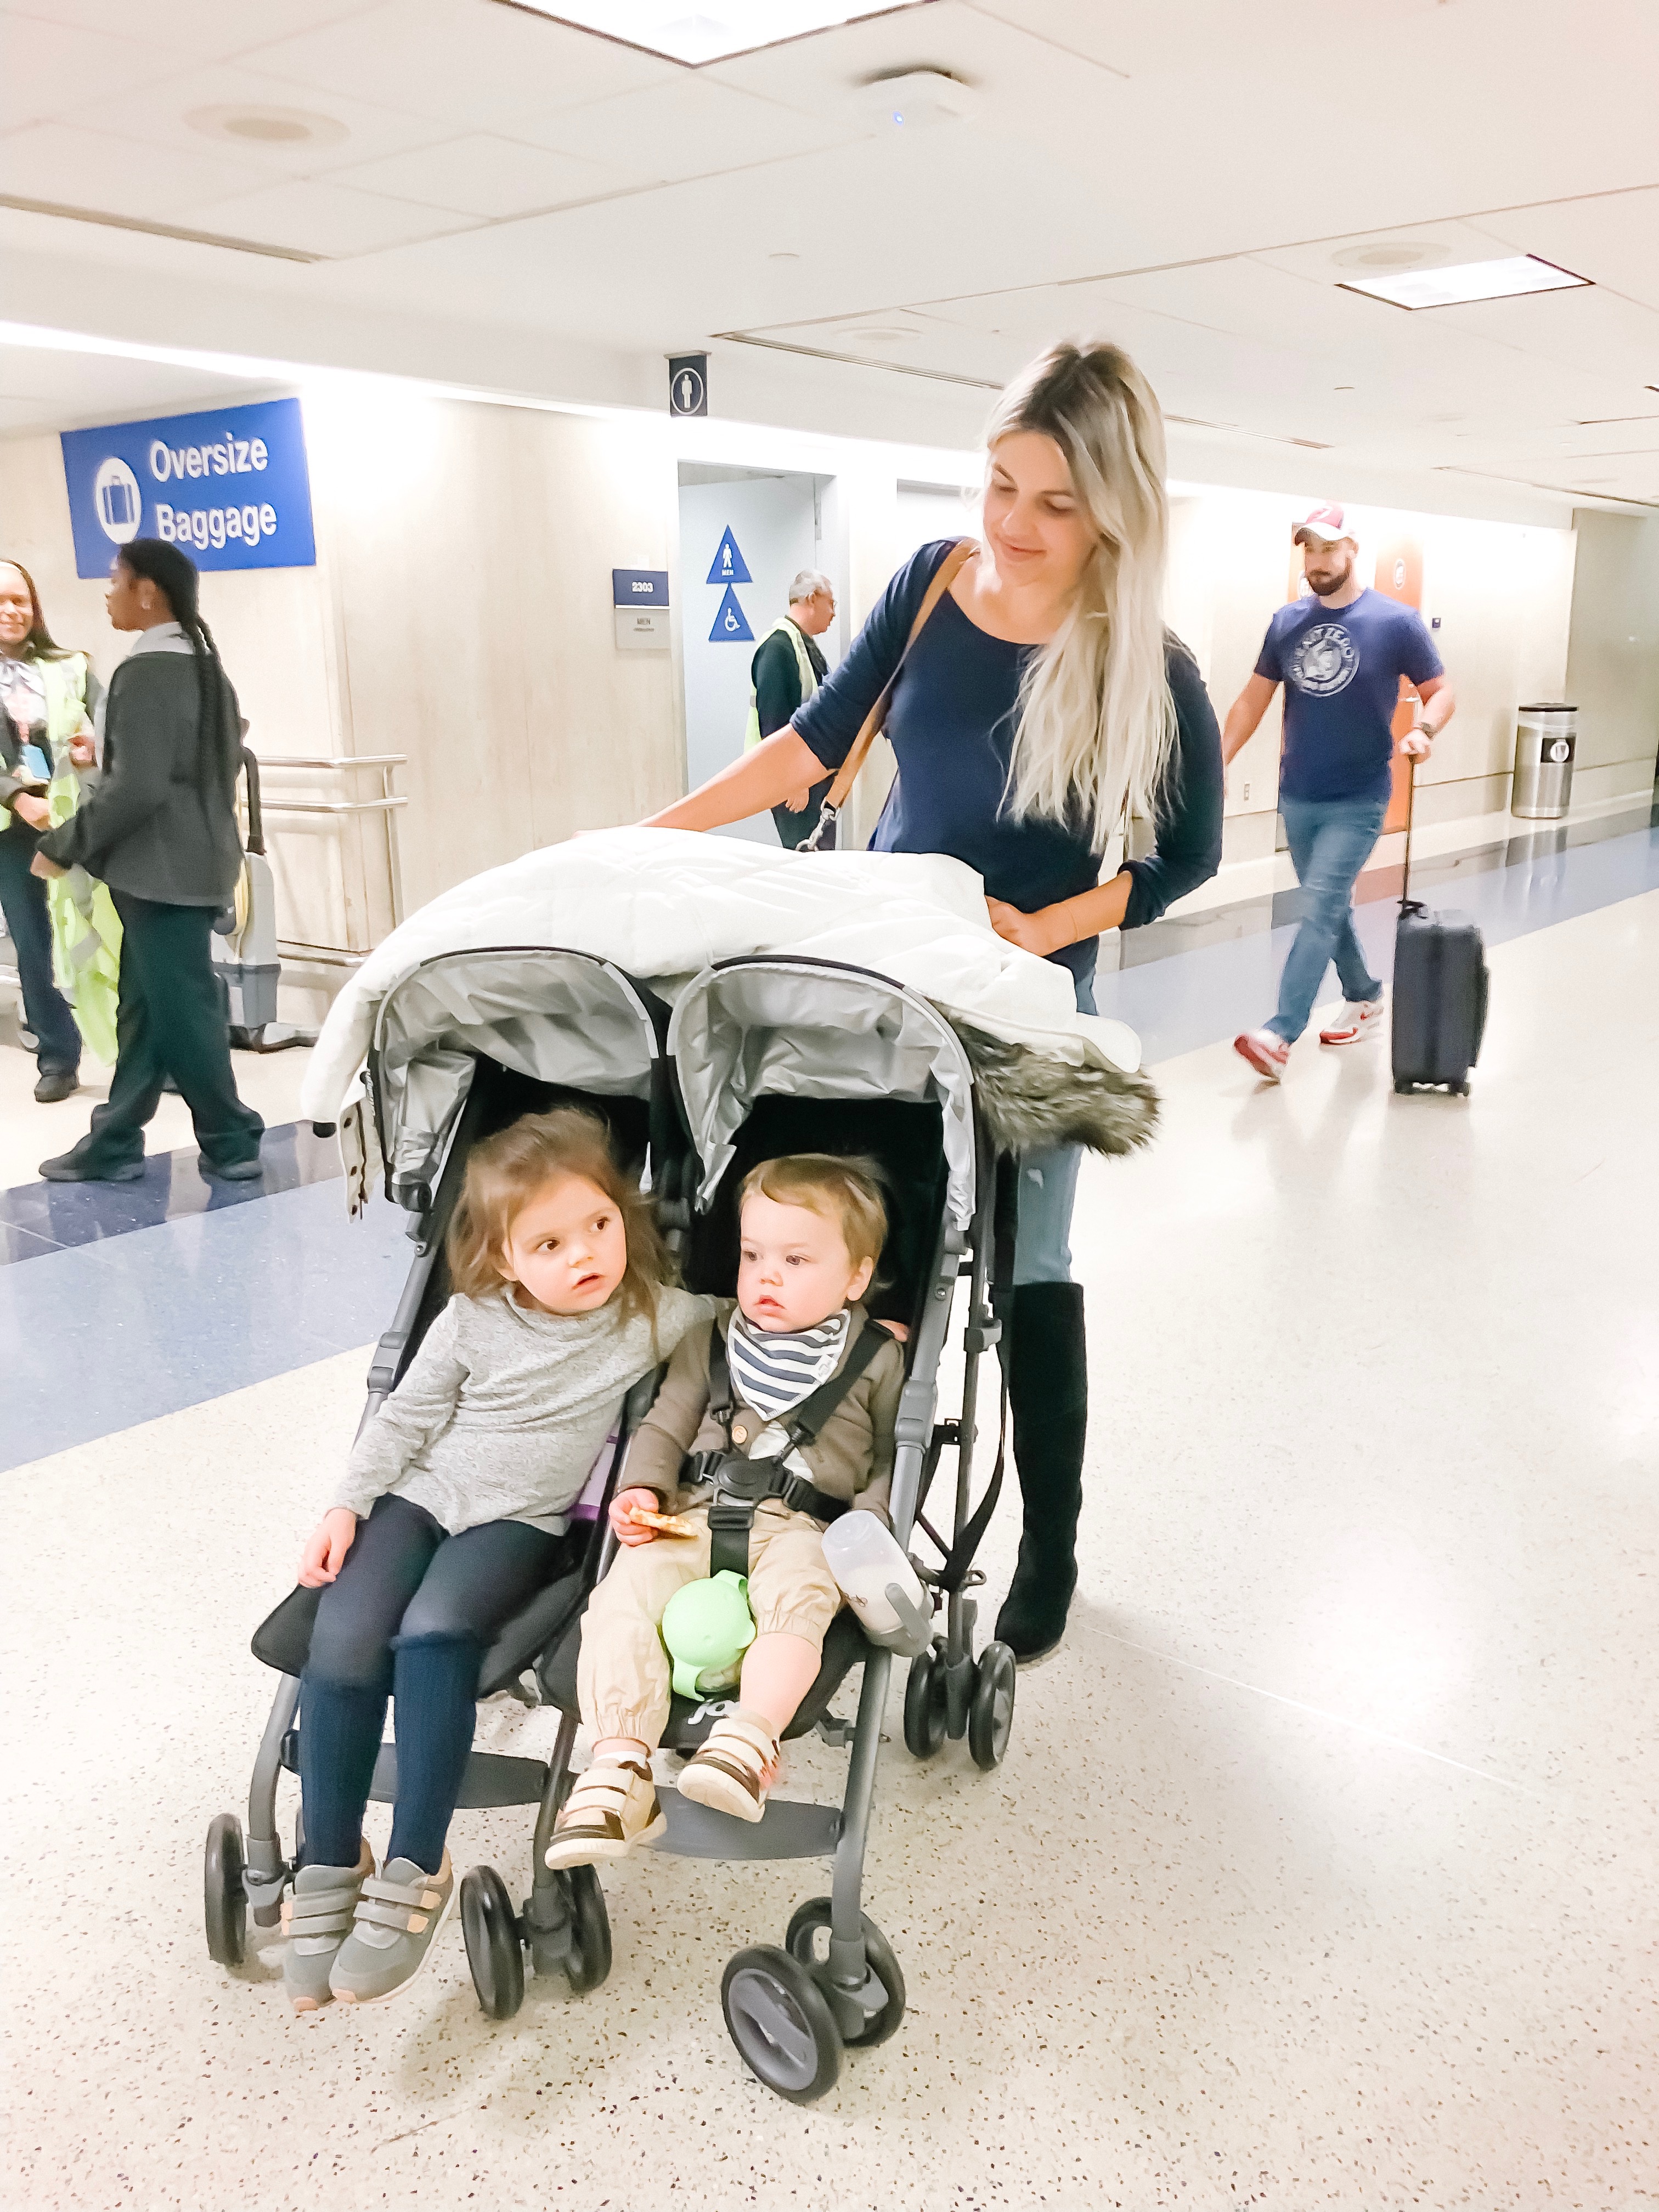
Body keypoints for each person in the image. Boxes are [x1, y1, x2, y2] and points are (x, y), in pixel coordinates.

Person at [641, 339, 1225, 1666]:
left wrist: (1049, 921)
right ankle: (782, 1486)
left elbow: (1183, 858)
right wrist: (654, 838)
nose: (1013, 526)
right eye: (1000, 486)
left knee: (1026, 1270)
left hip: (1021, 1003)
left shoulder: (1153, 667)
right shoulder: (931, 589)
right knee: (792, 1206)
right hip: (880, 969)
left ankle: (1054, 1542)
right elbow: (816, 741)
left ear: (1115, 516)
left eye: (1055, 505)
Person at [283, 1108, 712, 2011]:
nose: (584, 1253)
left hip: (523, 1519)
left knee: (434, 1635)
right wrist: (345, 1503)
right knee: (344, 1640)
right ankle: (328, 1854)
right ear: (506, 1258)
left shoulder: (649, 1312)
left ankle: (415, 1859)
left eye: (599, 1224)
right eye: (549, 1242)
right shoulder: (472, 1317)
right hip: (423, 1493)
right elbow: (401, 1419)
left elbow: (749, 1312)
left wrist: (875, 1326)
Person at [546, 1153, 904, 1865]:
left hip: (808, 1526)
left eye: (797, 1259)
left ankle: (748, 1736)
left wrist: (869, 1535)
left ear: (856, 1277)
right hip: (693, 1513)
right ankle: (620, 1766)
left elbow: (891, 1460)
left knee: (799, 1597)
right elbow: (666, 1426)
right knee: (621, 1597)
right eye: (752, 1254)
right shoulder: (709, 1341)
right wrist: (641, 1492)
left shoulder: (875, 1358)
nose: (767, 1275)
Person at [31, 539, 266, 1183]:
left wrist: (64, 843)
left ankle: (232, 1137)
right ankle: (113, 1141)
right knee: (145, 1007)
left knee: (184, 1010)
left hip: (160, 876)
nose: (107, 592)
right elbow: (185, 770)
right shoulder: (204, 668)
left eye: (116, 579)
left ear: (147, 592)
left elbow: (139, 789)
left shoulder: (147, 672)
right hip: (193, 865)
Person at [1226, 503, 1455, 1081]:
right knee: (1328, 907)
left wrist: (1423, 731)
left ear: (1353, 550)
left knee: (1318, 904)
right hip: (1299, 793)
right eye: (1310, 548)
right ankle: (1365, 992)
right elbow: (1253, 701)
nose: (1319, 560)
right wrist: (1217, 762)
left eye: (1330, 548)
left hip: (1360, 796)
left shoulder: (1395, 622)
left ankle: (1279, 1034)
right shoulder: (1286, 623)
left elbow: (1441, 691)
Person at [0, 560, 101, 1102]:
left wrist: (93, 748)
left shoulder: (71, 666)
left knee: (104, 937)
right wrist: (14, 795)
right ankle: (58, 1057)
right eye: (0, 602)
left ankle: (145, 1052)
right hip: (11, 833)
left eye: (20, 600)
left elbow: (108, 720)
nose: (11, 611)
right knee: (35, 945)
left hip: (75, 818)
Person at [747, 568, 837, 848]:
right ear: (812, 598)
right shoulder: (778, 647)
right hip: (795, 784)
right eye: (831, 604)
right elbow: (775, 722)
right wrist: (794, 782)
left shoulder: (803, 645)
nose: (834, 613)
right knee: (806, 863)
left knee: (817, 862)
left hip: (811, 777)